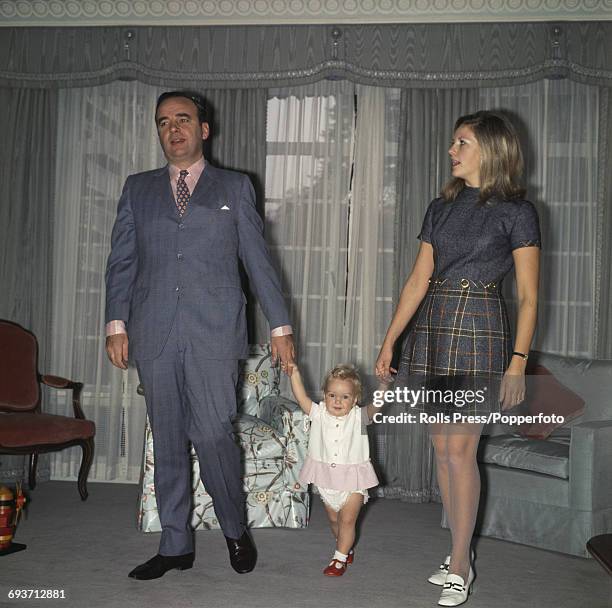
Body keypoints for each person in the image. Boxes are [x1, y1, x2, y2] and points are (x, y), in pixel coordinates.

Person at [104, 90, 295, 580]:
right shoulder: (138, 188)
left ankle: (234, 528)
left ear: (203, 129)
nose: (173, 129)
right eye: (164, 122)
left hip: (214, 331)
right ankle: (175, 545)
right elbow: (122, 262)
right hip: (153, 329)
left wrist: (280, 325)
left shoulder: (234, 186)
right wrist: (116, 324)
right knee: (167, 437)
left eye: (183, 119)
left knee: (212, 433)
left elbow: (257, 260)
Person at [376, 111, 540, 606]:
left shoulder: (517, 211)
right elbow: (416, 280)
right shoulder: (440, 207)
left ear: (490, 150)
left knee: (460, 452)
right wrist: (390, 343)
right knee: (441, 453)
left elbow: (530, 298)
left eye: (462, 142)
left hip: (481, 330)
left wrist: (517, 363)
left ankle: (462, 563)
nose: (452, 151)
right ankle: (457, 552)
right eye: (452, 142)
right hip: (432, 329)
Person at [289, 364, 380, 576]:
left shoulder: (358, 417)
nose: (338, 401)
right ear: (324, 395)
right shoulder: (319, 413)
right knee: (334, 521)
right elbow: (301, 397)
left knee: (348, 520)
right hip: (327, 480)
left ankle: (339, 559)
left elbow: (377, 406)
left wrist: (384, 385)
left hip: (353, 481)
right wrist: (294, 374)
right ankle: (344, 547)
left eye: (345, 396)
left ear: (355, 399)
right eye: (332, 395)